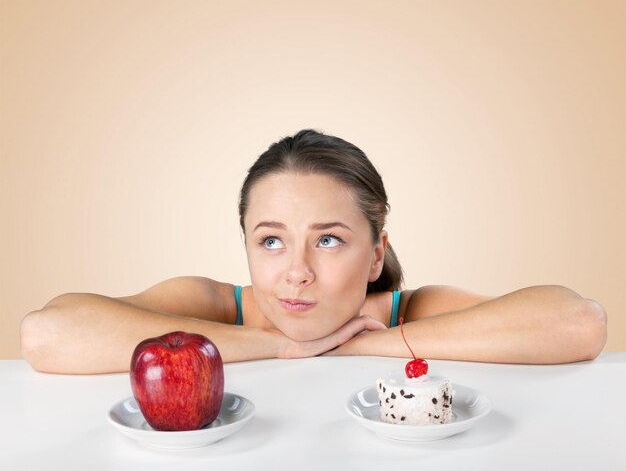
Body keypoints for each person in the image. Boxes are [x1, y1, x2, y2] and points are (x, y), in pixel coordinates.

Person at [20, 129, 607, 374]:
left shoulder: (409, 310)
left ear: (376, 255)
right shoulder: (213, 304)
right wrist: (277, 345)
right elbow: (47, 334)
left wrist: (377, 343)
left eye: (328, 240)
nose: (296, 273)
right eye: (271, 240)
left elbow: (578, 322)